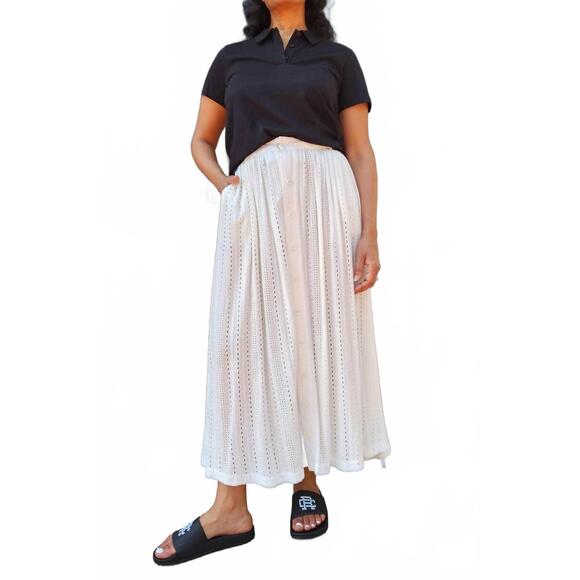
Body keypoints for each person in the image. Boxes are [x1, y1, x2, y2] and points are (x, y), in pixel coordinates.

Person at [153, 0, 390, 565]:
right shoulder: (232, 59)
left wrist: (370, 232)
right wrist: (226, 185)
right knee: (238, 345)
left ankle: (307, 477)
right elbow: (201, 140)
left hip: (325, 207)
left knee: (311, 336)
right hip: (254, 205)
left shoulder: (338, 59)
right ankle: (229, 507)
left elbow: (359, 149)